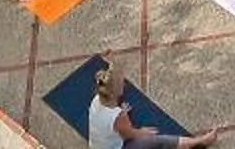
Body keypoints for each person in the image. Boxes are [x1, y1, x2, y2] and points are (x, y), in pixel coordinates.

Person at [87, 64, 218, 149]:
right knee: (159, 141)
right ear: (114, 91)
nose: (124, 84)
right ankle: (199, 142)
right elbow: (129, 135)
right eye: (121, 84)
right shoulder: (119, 116)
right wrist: (142, 132)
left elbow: (108, 122)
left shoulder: (96, 100)